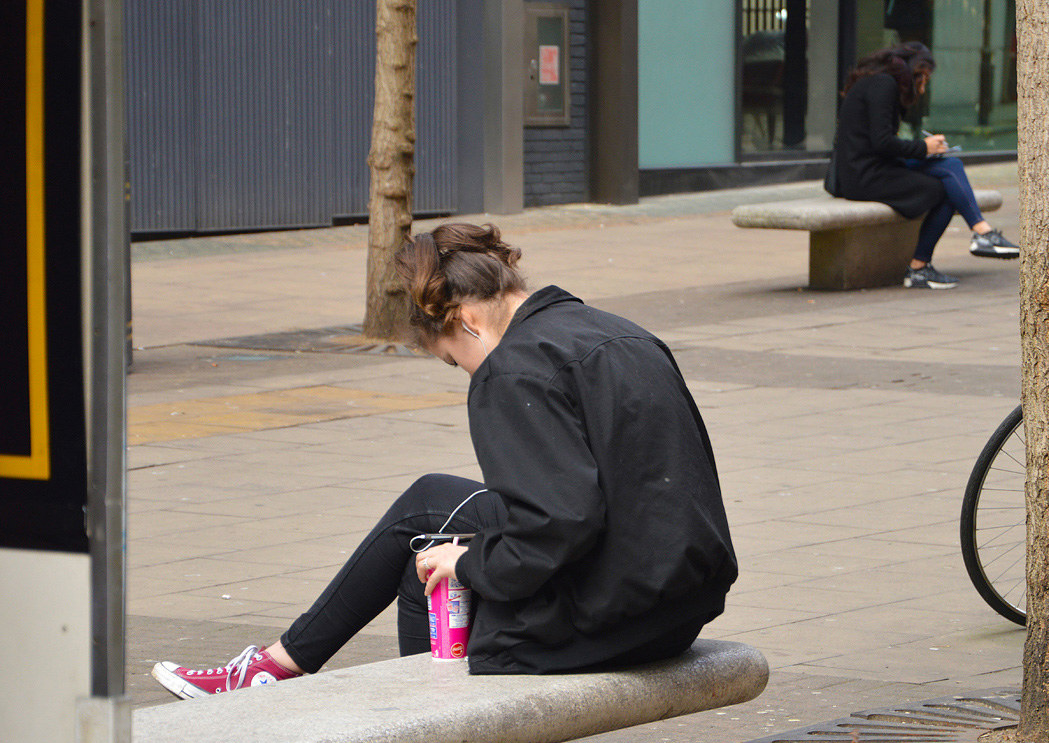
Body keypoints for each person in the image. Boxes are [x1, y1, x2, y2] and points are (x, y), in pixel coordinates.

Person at [151, 223, 738, 696]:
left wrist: (474, 563)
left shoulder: (514, 368)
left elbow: (561, 524)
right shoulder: (617, 332)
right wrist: (469, 553)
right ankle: (283, 667)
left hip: (609, 619)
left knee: (428, 563)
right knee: (431, 516)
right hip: (676, 604)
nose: (462, 370)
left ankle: (415, 725)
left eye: (450, 358)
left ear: (466, 321)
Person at [824, 42, 1018, 290]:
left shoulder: (878, 83)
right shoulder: (883, 86)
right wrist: (924, 148)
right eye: (924, 79)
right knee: (943, 191)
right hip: (864, 177)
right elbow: (882, 143)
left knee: (949, 164)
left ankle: (982, 234)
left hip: (874, 167)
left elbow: (880, 144)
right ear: (915, 72)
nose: (924, 88)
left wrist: (927, 150)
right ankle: (923, 265)